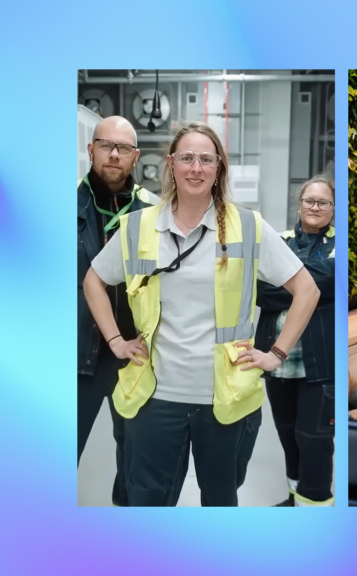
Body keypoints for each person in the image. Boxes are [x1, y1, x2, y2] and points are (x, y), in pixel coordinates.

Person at [83, 122, 320, 506]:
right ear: (171, 164)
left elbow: (307, 290)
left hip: (226, 400)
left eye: (206, 160)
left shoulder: (248, 226)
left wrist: (275, 354)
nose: (196, 168)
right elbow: (94, 280)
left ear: (219, 167)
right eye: (187, 158)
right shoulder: (138, 227)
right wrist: (115, 340)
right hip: (154, 398)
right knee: (148, 503)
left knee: (220, 503)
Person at [77, 115, 160, 506]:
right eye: (105, 145)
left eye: (123, 148)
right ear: (90, 149)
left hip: (135, 355)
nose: (113, 154)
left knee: (134, 455)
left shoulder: (153, 212)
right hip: (76, 352)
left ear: (135, 157)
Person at [256, 176, 336, 507]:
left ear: (333, 208)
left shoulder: (339, 246)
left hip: (321, 363)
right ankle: (295, 498)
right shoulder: (279, 240)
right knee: (288, 435)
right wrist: (306, 286)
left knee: (314, 439)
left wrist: (288, 280)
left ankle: (315, 507)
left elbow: (329, 281)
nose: (315, 207)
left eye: (323, 202)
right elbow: (261, 290)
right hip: (278, 361)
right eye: (309, 201)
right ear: (299, 204)